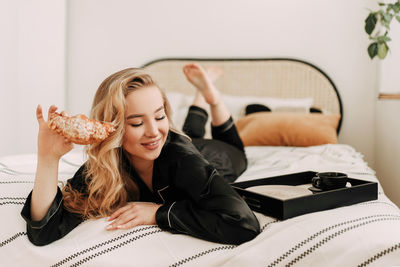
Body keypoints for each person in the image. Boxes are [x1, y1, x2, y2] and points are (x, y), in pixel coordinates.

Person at [21, 63, 260, 246]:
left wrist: (157, 213)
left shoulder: (183, 159)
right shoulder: (106, 165)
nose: (154, 132)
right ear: (112, 129)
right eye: (137, 123)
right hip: (187, 144)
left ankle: (211, 97)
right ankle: (200, 97)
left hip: (218, 155)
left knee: (235, 150)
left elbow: (244, 224)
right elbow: (43, 232)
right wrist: (48, 160)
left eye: (159, 116)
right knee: (191, 133)